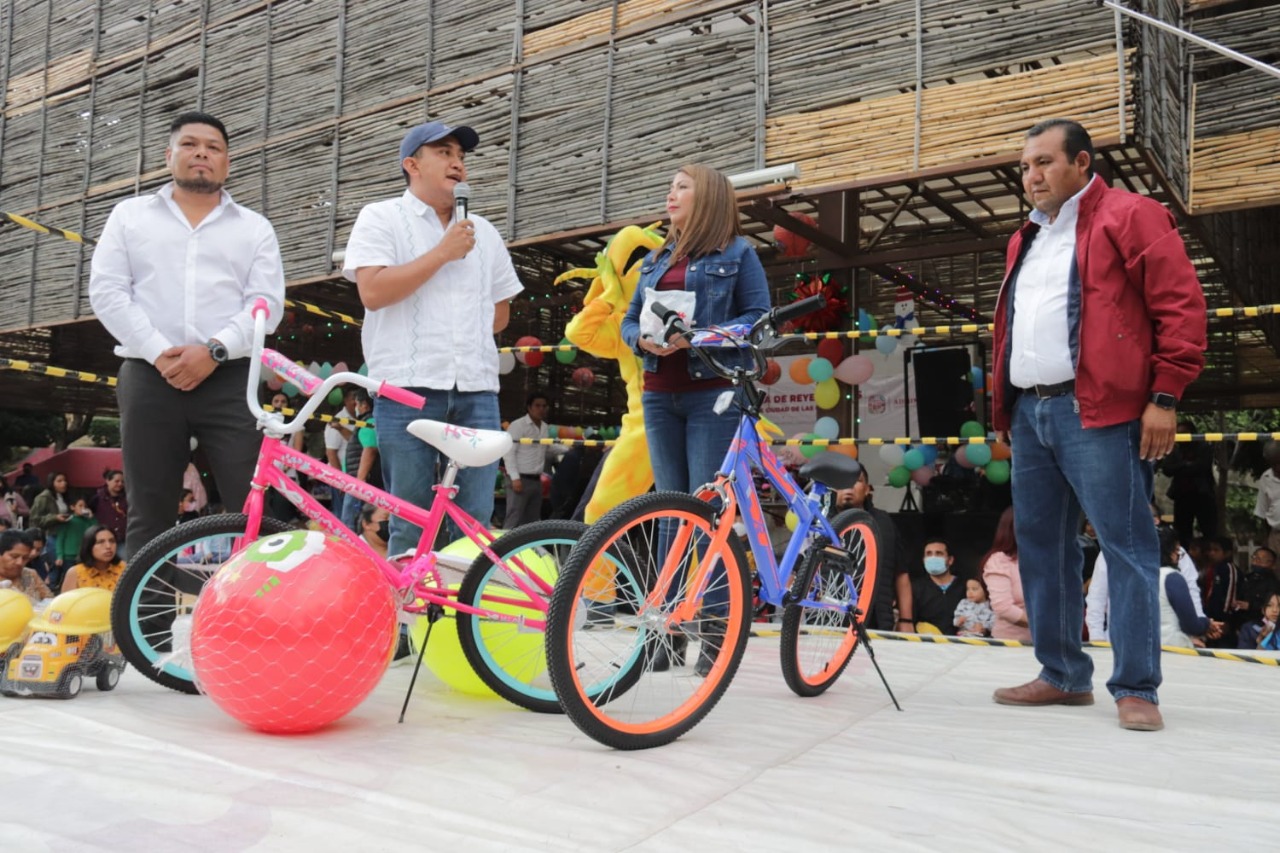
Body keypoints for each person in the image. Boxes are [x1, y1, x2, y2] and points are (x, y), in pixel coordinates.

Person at [990, 119, 1207, 732]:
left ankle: (1137, 687)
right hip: (1031, 411)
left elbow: (1181, 306)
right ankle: (1062, 674)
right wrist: (1006, 408)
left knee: (1127, 549)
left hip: (1102, 411)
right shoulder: (1025, 238)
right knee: (1041, 547)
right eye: (1025, 166)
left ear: (1082, 162)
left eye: (1043, 162)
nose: (1031, 176)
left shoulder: (1132, 215)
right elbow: (1012, 328)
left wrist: (1164, 396)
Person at [89, 110, 286, 560]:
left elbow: (267, 305)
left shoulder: (254, 228)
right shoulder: (129, 216)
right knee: (149, 510)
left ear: (227, 162)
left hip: (231, 379)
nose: (202, 153)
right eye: (190, 144)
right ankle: (145, 608)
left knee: (253, 504)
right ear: (169, 155)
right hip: (148, 375)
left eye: (213, 147)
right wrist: (160, 353)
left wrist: (214, 351)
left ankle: (260, 606)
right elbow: (107, 291)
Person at [343, 120, 523, 555]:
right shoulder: (381, 217)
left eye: (461, 156)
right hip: (406, 389)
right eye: (444, 153)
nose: (457, 163)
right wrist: (442, 253)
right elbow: (373, 292)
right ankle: (409, 602)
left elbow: (500, 312)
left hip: (476, 389)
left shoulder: (484, 232)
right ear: (412, 165)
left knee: (474, 523)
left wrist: (460, 327)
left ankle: (460, 601)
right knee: (409, 521)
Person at [620, 163, 771, 676]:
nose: (671, 194)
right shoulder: (655, 259)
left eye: (682, 186)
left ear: (706, 196)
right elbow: (628, 319)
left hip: (713, 395)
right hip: (659, 394)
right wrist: (639, 340)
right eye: (670, 186)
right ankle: (663, 633)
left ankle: (713, 630)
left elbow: (757, 319)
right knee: (669, 513)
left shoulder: (738, 253)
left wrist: (698, 337)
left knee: (708, 514)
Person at [1085, 504, 1206, 642]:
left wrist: (1196, 630)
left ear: (1155, 521)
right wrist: (1096, 638)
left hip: (1169, 641)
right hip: (1121, 639)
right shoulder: (1111, 553)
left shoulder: (1177, 553)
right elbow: (1097, 598)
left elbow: (1192, 592)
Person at [826, 466, 906, 632]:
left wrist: (906, 619)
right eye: (842, 481)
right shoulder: (820, 524)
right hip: (827, 618)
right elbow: (796, 571)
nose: (849, 486)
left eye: (856, 481)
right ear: (834, 489)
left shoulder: (884, 522)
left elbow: (901, 573)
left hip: (877, 616)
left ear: (868, 489)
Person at [1155, 527, 1220, 649]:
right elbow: (1191, 625)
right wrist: (1206, 623)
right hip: (1172, 646)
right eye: (1177, 551)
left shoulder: (1138, 577)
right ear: (1170, 552)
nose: (1179, 556)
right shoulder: (1171, 577)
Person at [501, 391, 554, 529]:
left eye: (544, 406)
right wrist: (515, 478)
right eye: (537, 406)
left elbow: (547, 447)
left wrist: (570, 447)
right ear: (529, 407)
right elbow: (509, 452)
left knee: (532, 521)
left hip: (536, 480)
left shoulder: (544, 427)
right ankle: (504, 543)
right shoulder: (518, 425)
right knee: (514, 517)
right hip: (520, 479)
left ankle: (527, 544)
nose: (541, 409)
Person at [980, 506, 1032, 643]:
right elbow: (1004, 608)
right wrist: (1044, 625)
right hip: (1011, 645)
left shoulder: (1045, 559)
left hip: (1051, 643)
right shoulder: (999, 561)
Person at [1160, 423, 1216, 544]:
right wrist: (1185, 465)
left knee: (1209, 530)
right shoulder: (1175, 449)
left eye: (1183, 433)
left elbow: (1201, 466)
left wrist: (1182, 467)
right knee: (1182, 531)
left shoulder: (1204, 447)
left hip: (1203, 494)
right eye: (1178, 434)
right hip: (1182, 495)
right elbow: (1167, 469)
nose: (1180, 437)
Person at [907, 539, 967, 636]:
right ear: (923, 560)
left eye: (938, 553)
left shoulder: (966, 587)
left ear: (950, 560)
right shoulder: (915, 588)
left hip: (961, 642)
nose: (933, 557)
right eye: (929, 554)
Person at [61, 525, 126, 593]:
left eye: (112, 541)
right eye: (100, 542)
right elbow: (67, 600)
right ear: (89, 546)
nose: (108, 546)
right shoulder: (75, 573)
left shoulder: (123, 568)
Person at [51, 497, 95, 593]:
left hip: (83, 555)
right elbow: (60, 539)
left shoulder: (87, 521)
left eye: (84, 506)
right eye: (80, 506)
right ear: (72, 507)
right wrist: (60, 555)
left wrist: (91, 518)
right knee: (69, 578)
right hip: (69, 556)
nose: (83, 508)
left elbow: (96, 530)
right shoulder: (67, 521)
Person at [0, 530, 50, 601]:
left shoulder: (30, 574)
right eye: (14, 556)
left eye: (25, 558)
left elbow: (50, 601)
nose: (20, 562)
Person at [29, 472, 71, 556]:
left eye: (65, 480)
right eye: (59, 481)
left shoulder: (63, 496)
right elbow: (34, 520)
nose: (64, 483)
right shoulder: (43, 498)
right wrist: (54, 518)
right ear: (51, 483)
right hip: (50, 536)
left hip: (65, 534)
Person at [87, 468, 128, 547]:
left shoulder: (127, 498)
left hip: (123, 540)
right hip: (103, 539)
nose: (120, 484)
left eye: (122, 482)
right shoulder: (97, 498)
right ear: (108, 481)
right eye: (117, 481)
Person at [1253, 441, 1280, 557]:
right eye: (1274, 464)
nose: (1278, 467)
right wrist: (1266, 538)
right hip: (1276, 536)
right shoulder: (1266, 478)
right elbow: (1263, 512)